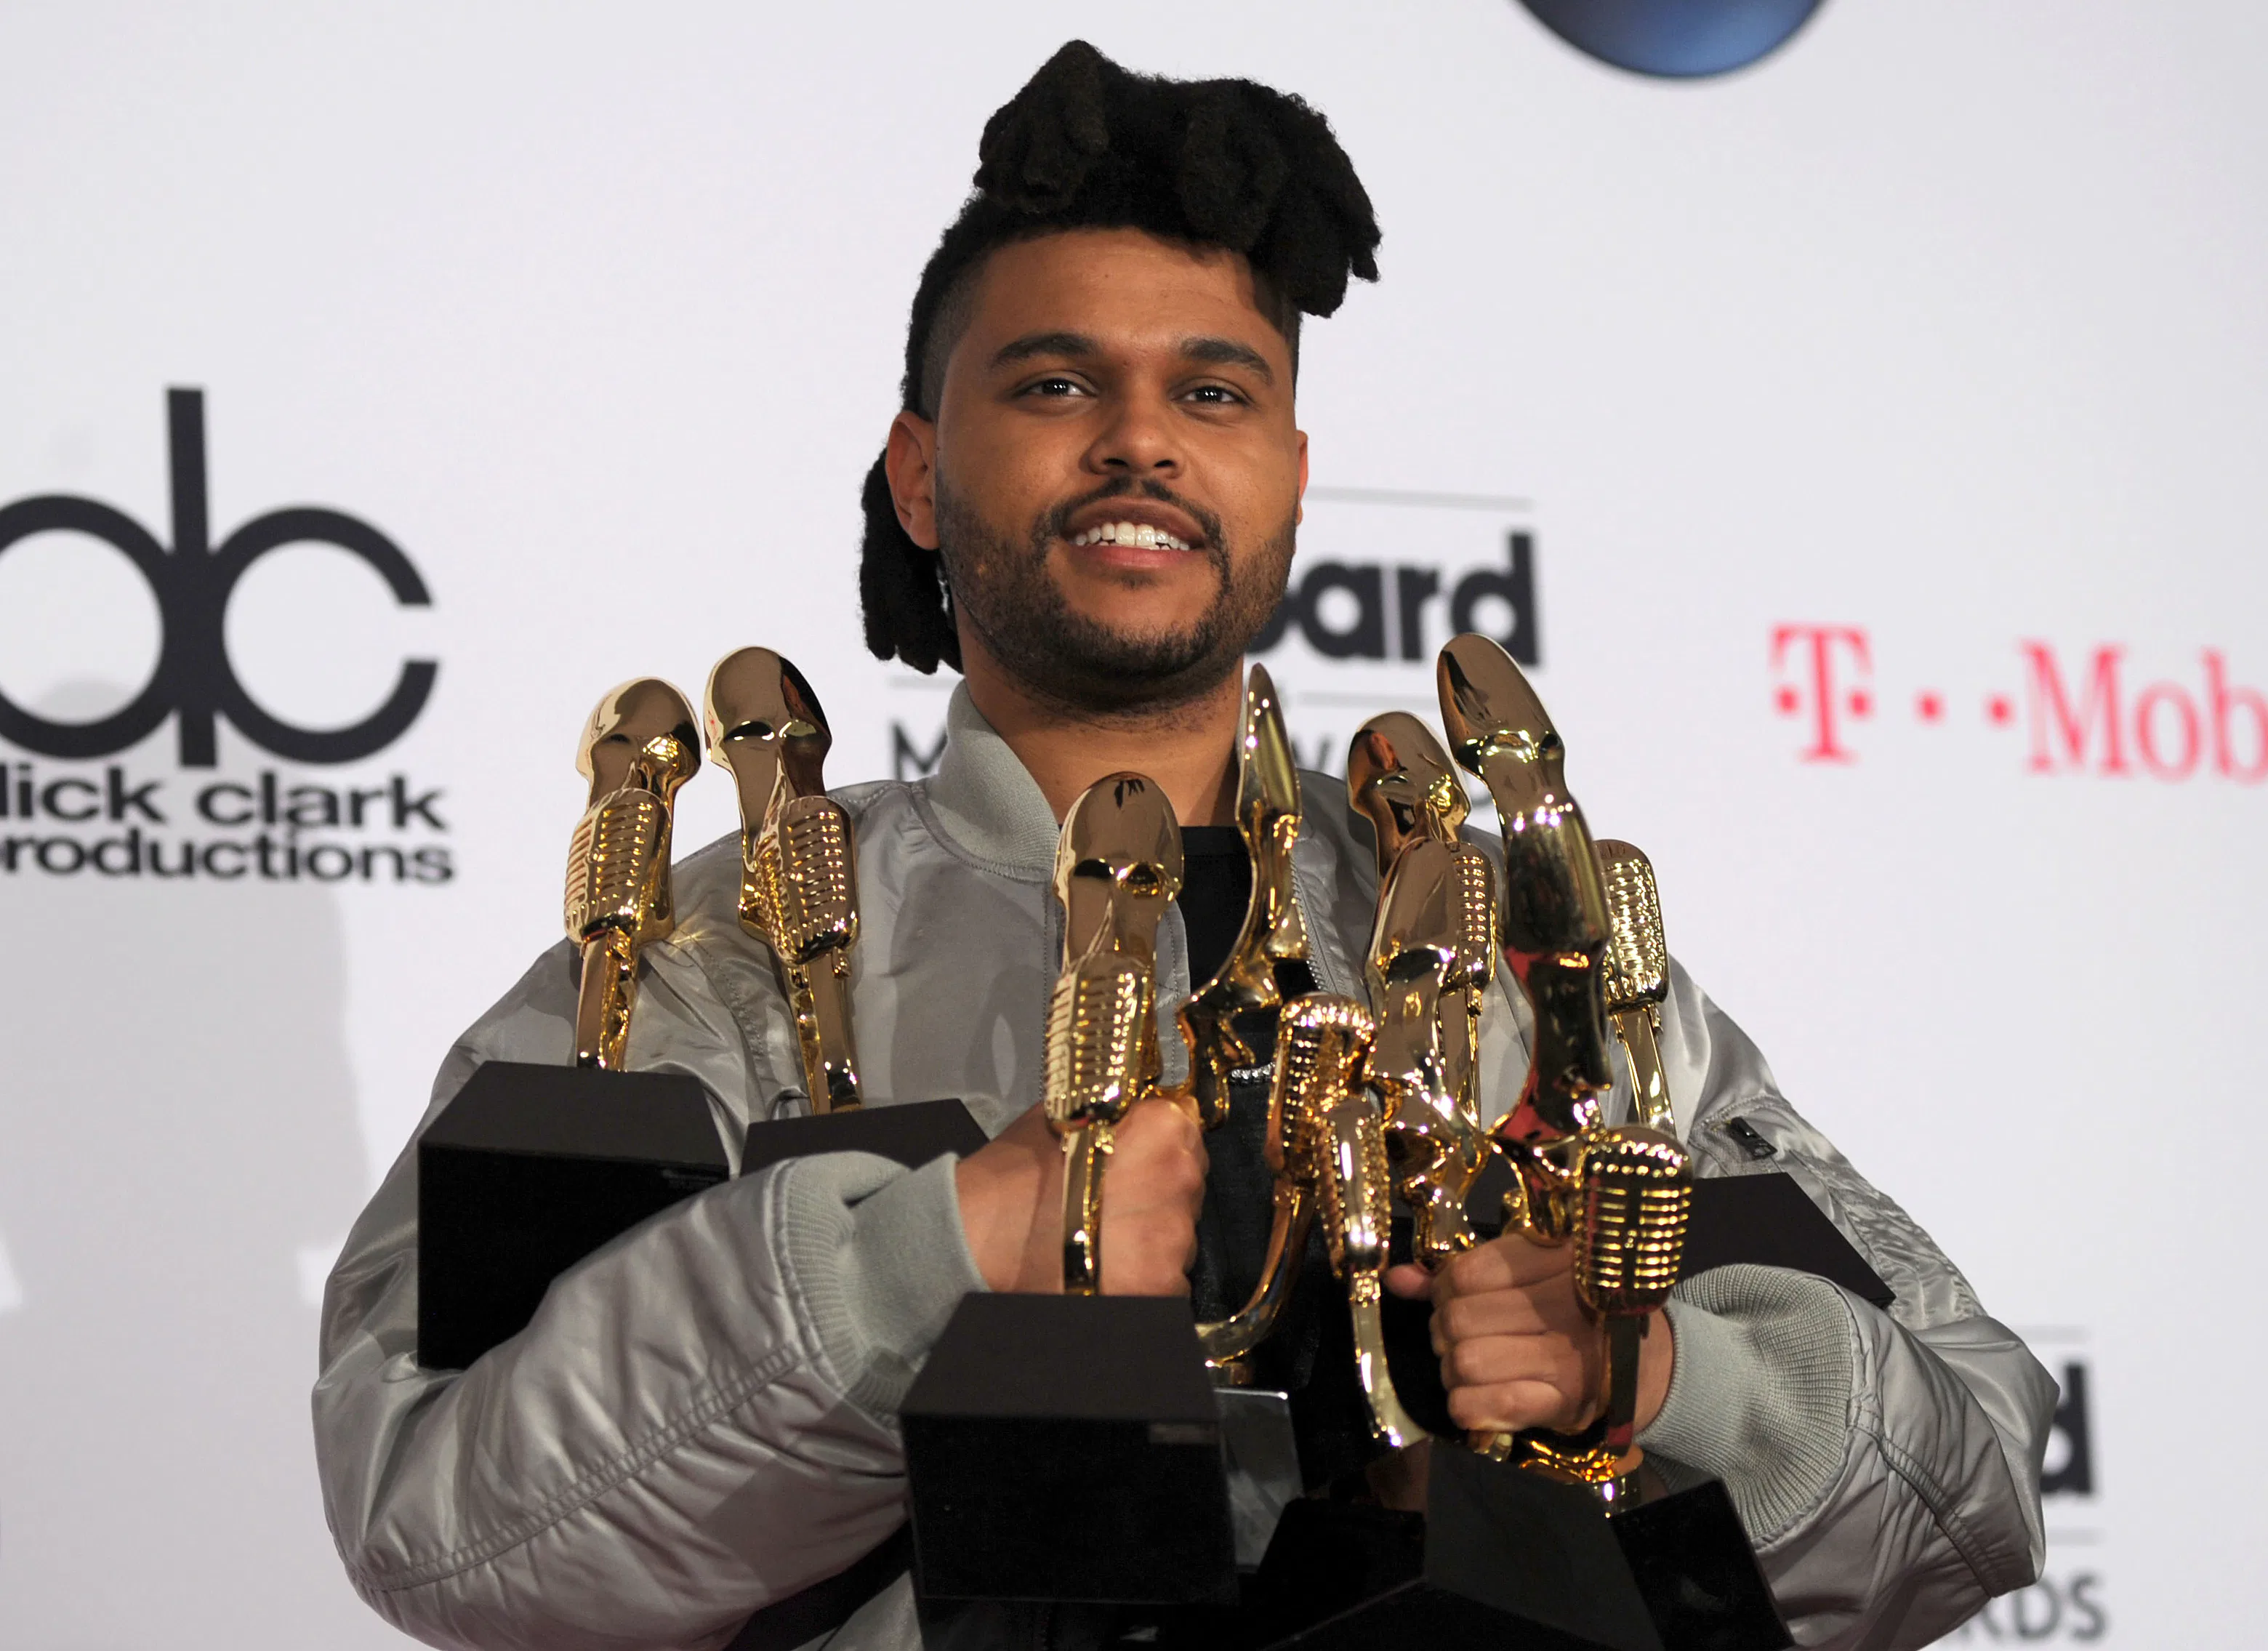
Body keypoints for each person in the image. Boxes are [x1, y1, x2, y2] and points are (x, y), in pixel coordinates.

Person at [314, 41, 2054, 1651]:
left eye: (1213, 393)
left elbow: (1974, 1472)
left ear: (1289, 474)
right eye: (1057, 380)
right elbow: (437, 1508)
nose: (1139, 438)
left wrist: (1654, 1375)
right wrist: (928, 1260)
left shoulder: (1536, 963)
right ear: (920, 473)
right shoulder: (724, 968)